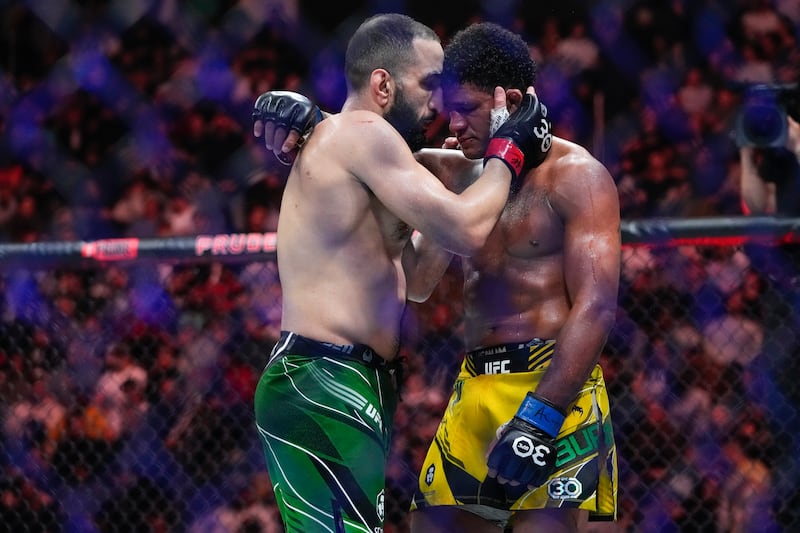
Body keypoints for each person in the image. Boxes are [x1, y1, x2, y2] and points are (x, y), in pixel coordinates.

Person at [258, 21, 621, 532]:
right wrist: (309, 115)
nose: (447, 121)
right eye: (438, 97)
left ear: (507, 103)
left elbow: (597, 305)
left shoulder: (575, 176)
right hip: (436, 381)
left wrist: (544, 412)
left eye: (463, 108)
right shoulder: (447, 163)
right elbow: (361, 146)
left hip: (551, 383)